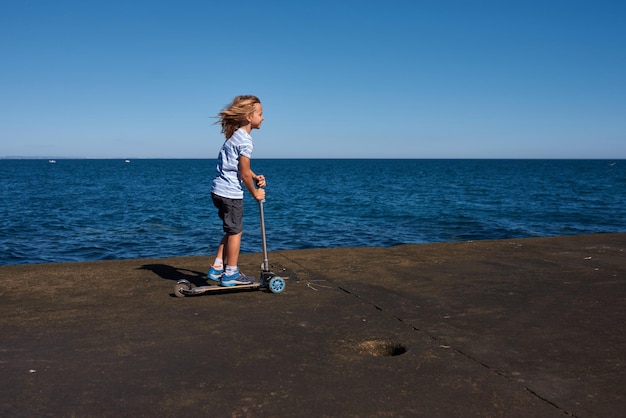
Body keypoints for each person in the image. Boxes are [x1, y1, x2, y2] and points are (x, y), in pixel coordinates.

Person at [208, 95, 266, 286]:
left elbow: (241, 168)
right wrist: (255, 193)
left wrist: (255, 175)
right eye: (260, 114)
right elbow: (243, 174)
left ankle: (217, 268)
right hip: (230, 194)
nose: (263, 118)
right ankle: (231, 273)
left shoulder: (234, 137)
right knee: (236, 232)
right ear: (249, 117)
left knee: (230, 229)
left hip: (218, 191)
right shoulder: (246, 141)